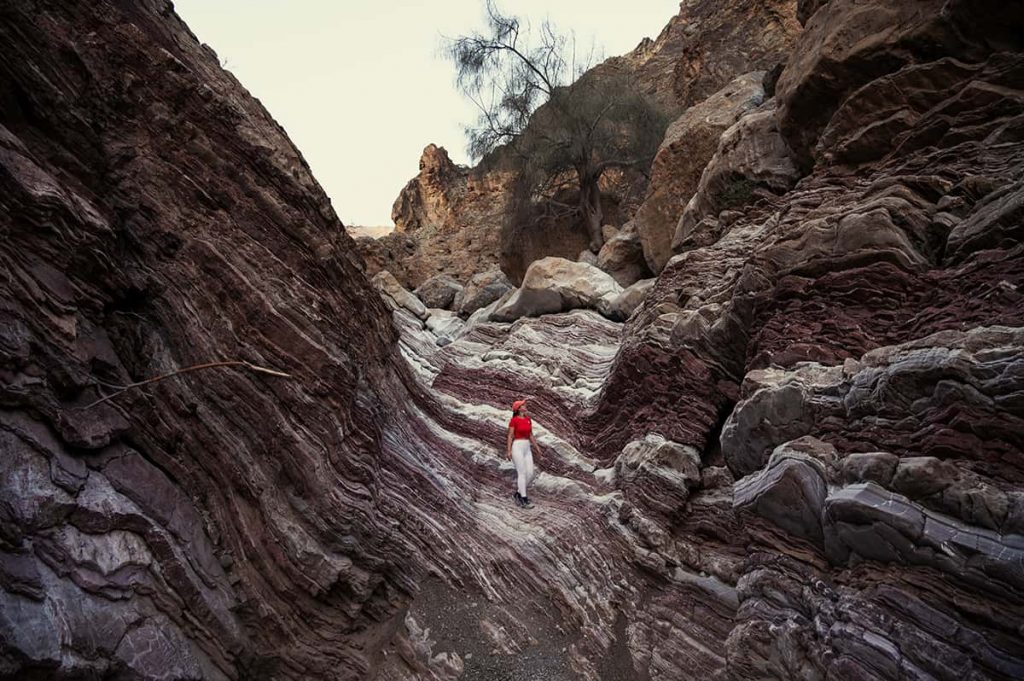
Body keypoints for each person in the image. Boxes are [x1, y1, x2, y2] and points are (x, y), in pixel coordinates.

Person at [507, 399, 541, 508]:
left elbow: (531, 435)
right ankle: (524, 499)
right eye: (523, 405)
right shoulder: (514, 420)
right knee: (522, 473)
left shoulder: (528, 419)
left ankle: (518, 493)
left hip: (527, 447)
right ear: (518, 408)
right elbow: (510, 436)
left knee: (530, 474)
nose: (525, 406)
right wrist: (508, 451)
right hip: (517, 446)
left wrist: (537, 448)